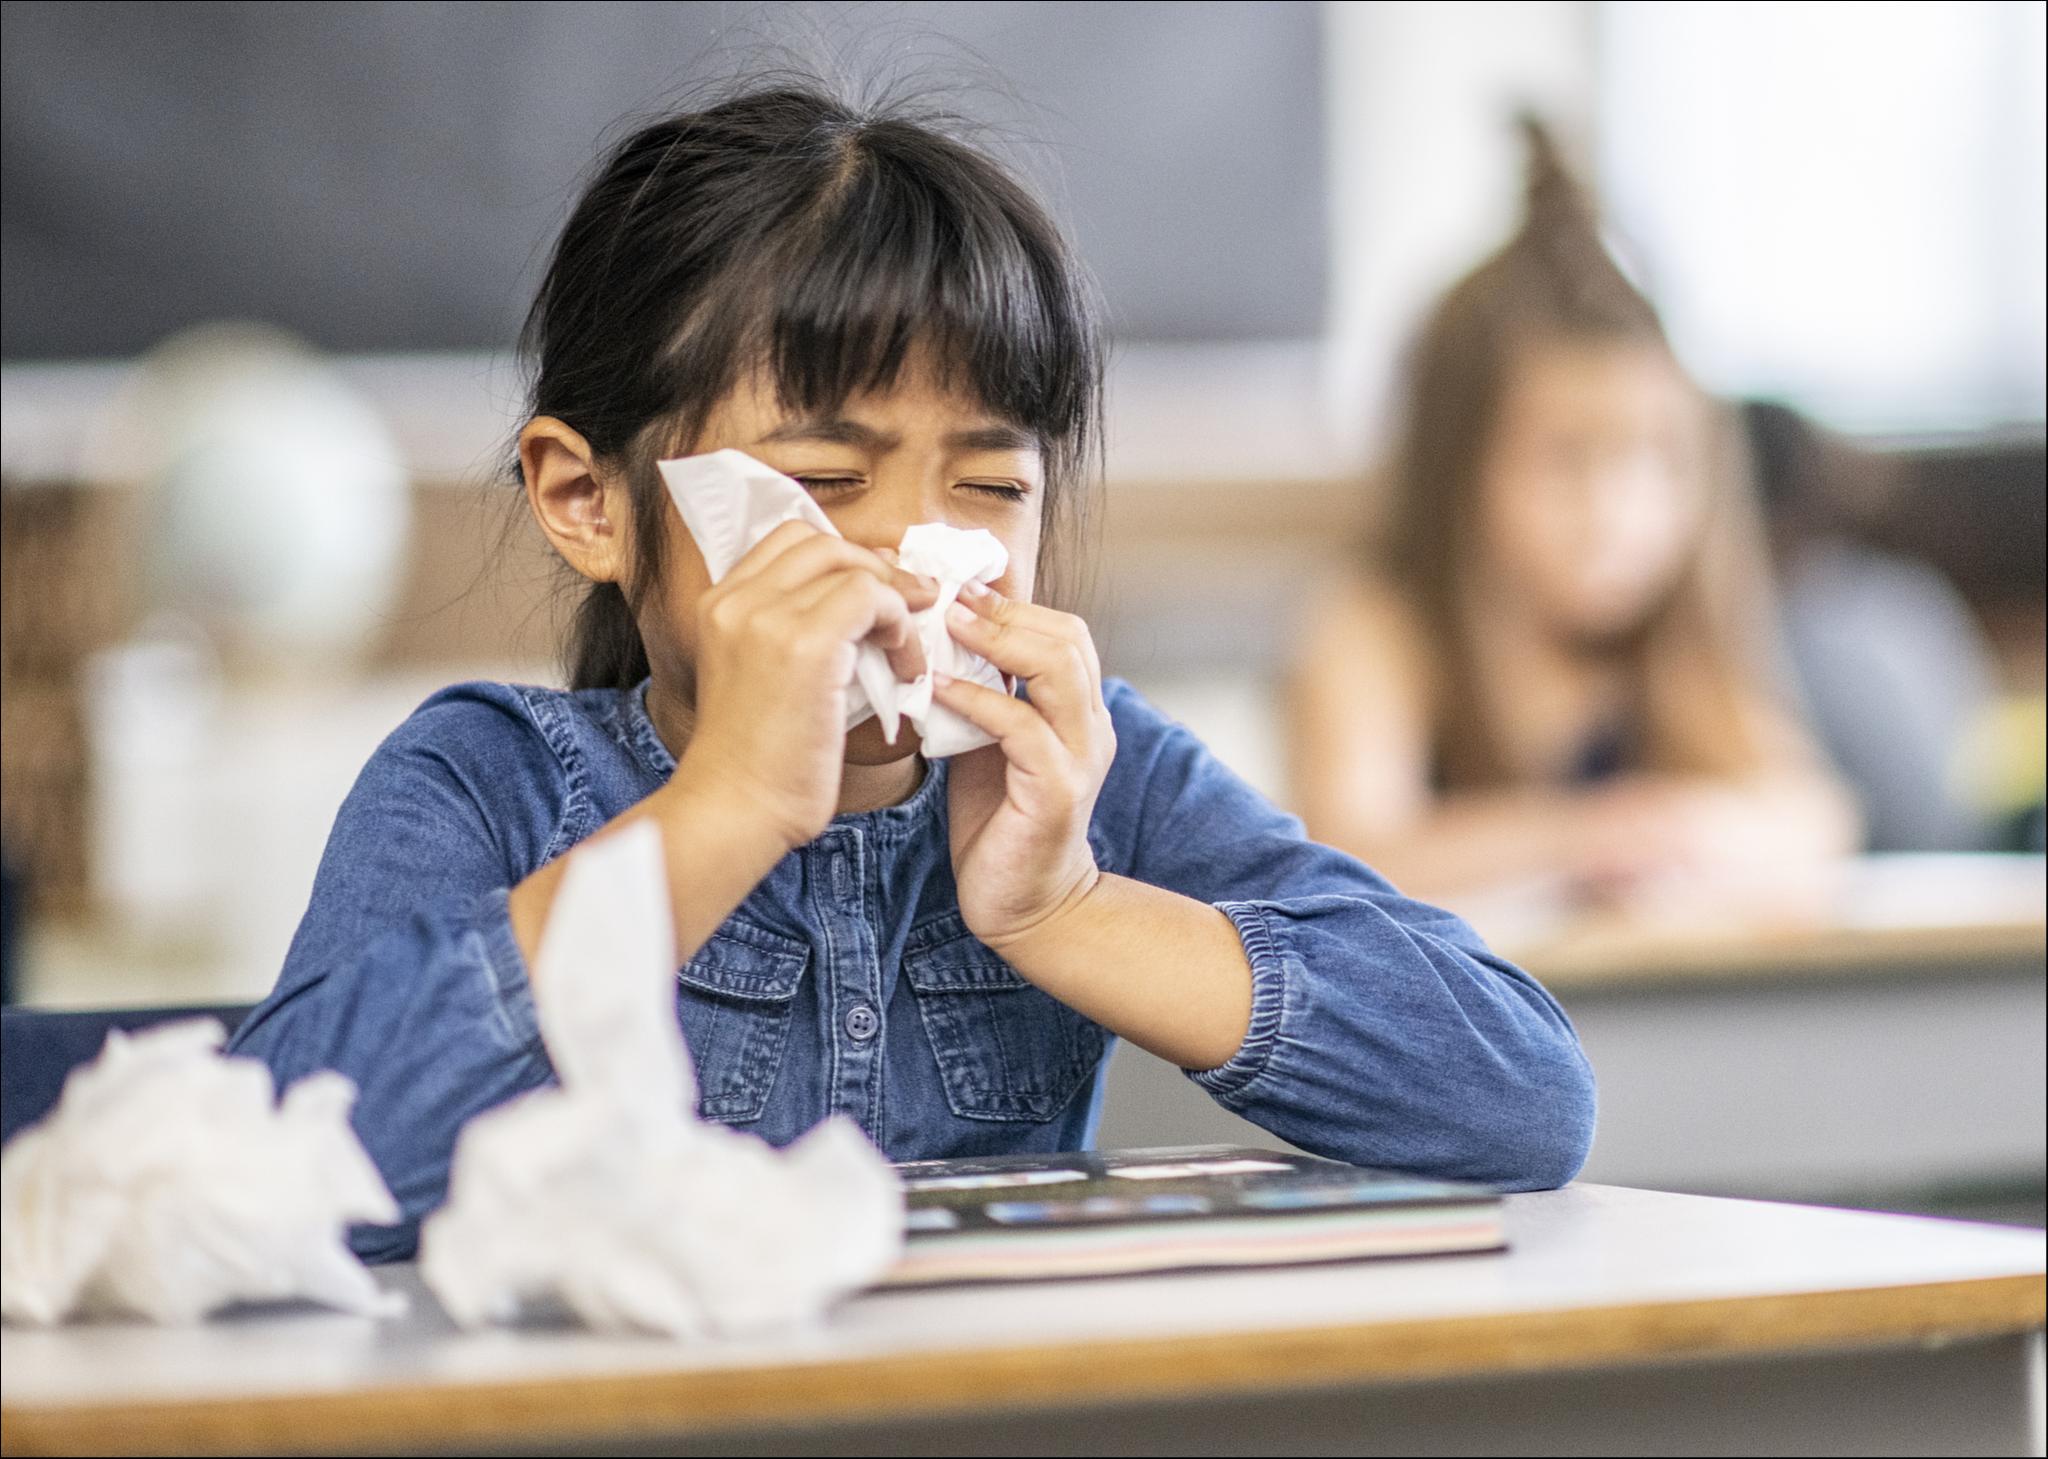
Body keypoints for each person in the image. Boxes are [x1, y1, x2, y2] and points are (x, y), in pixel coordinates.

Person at [228, 83, 1595, 1262]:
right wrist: (724, 811)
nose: (905, 551)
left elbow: (1521, 1097)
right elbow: (276, 1172)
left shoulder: (1089, 776)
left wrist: (1066, 907)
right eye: (825, 478)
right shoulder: (490, 780)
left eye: (991, 483)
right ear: (588, 499)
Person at [1288, 119, 1857, 915]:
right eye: (1565, 460)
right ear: (1460, 468)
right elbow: (1347, 849)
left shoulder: (1673, 643)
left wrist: (1686, 836)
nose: (1616, 513)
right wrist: (1592, 836)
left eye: (1658, 459)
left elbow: (1813, 820)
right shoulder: (1382, 627)